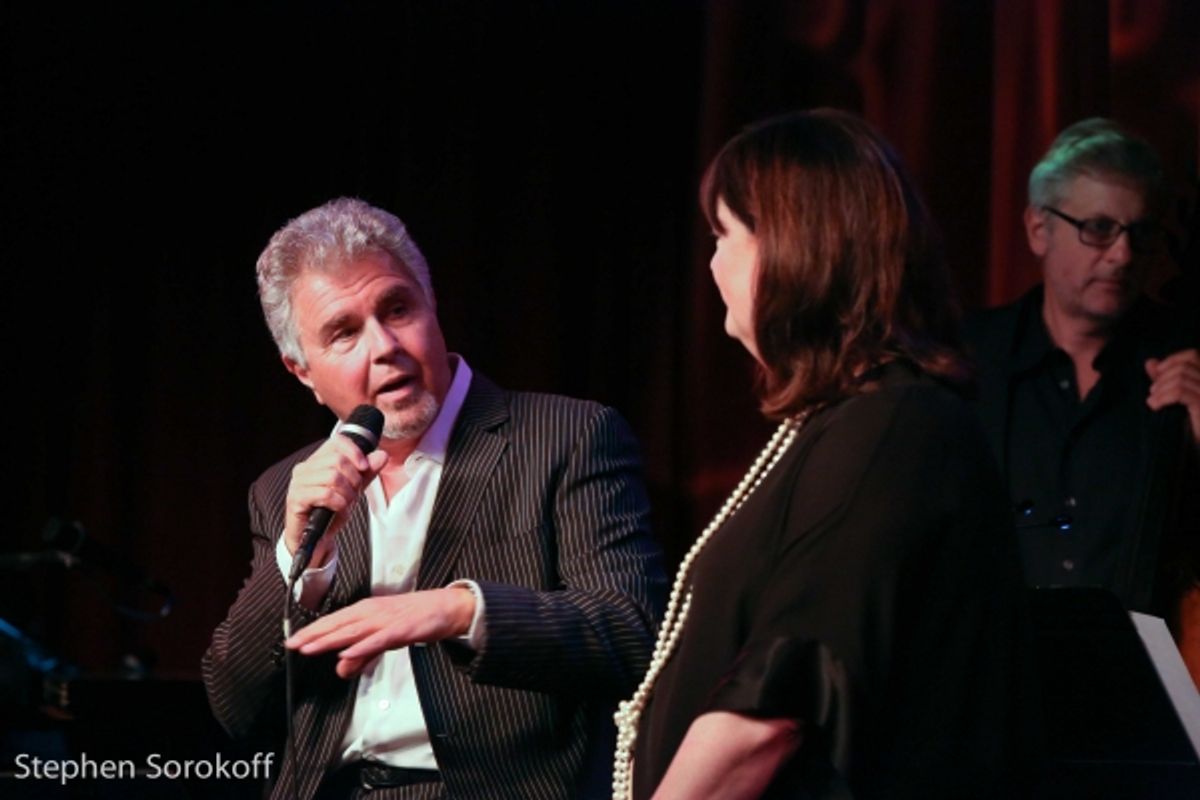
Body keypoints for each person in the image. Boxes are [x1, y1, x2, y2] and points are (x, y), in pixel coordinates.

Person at [614, 110, 1038, 799]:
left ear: (792, 246)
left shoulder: (894, 426)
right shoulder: (839, 425)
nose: (713, 261)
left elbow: (776, 701)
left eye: (724, 234)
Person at [202, 197, 666, 800]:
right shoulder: (282, 489)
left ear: (432, 304)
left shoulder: (568, 437)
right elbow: (234, 705)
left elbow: (634, 632)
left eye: (397, 309)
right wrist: (298, 554)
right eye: (343, 333)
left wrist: (459, 611)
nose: (384, 346)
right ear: (302, 372)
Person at [963, 118, 1200, 681]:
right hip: (993, 679)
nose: (1121, 256)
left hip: (1145, 686)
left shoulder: (1186, 360)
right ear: (1038, 229)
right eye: (1098, 229)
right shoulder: (970, 358)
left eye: (1138, 234)